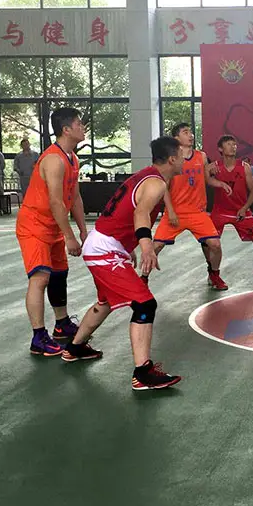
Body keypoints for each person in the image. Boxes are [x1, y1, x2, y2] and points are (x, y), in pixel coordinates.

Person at [64, 136, 184, 391]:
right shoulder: (155, 183)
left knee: (105, 302)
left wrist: (126, 248)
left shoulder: (147, 176)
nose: (185, 159)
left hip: (106, 244)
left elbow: (127, 212)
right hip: (104, 249)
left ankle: (75, 348)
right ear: (172, 159)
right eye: (182, 155)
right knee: (145, 304)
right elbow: (140, 213)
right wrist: (146, 246)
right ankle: (143, 373)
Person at [15, 107, 88, 356]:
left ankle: (61, 324)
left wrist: (83, 230)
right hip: (34, 225)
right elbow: (56, 201)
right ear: (66, 130)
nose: (83, 127)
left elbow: (74, 198)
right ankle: (38, 337)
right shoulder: (53, 160)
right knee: (40, 278)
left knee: (59, 274)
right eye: (78, 124)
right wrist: (70, 237)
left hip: (54, 224)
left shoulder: (73, 159)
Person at [153, 123, 230, 291]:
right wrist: (170, 211)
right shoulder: (171, 159)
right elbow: (163, 187)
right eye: (185, 132)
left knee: (215, 245)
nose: (191, 135)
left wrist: (220, 183)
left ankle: (214, 274)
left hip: (197, 212)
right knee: (155, 247)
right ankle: (142, 279)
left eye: (191, 132)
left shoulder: (201, 156)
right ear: (176, 138)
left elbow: (207, 179)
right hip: (175, 213)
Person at [212, 135, 253, 281]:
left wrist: (244, 208)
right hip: (220, 212)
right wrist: (210, 176)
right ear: (220, 149)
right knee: (209, 243)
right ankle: (212, 272)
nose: (233, 147)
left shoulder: (244, 167)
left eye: (234, 144)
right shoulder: (213, 167)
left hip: (241, 211)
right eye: (229, 144)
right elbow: (202, 178)